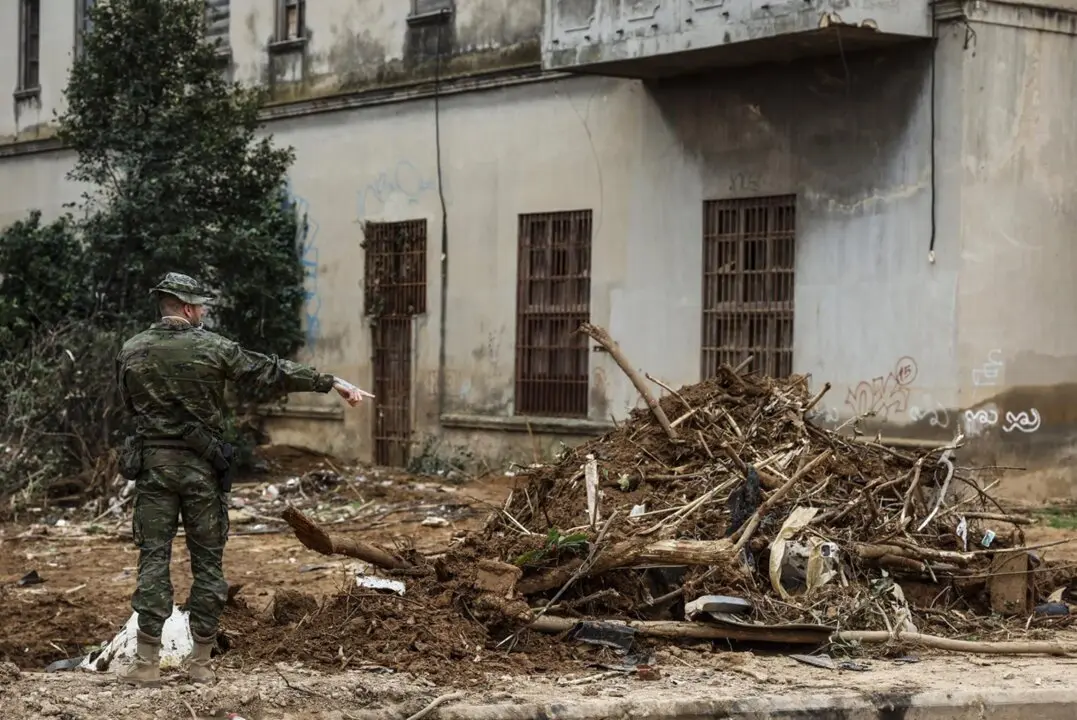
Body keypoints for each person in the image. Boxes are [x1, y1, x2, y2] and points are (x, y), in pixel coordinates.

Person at [115, 272, 364, 687]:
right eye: (202, 307)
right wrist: (329, 382)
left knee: (153, 561)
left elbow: (128, 404)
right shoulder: (214, 348)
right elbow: (269, 371)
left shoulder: (131, 349)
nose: (204, 313)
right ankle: (200, 664)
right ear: (189, 308)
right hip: (202, 471)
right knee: (208, 565)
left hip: (153, 469)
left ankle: (146, 665)